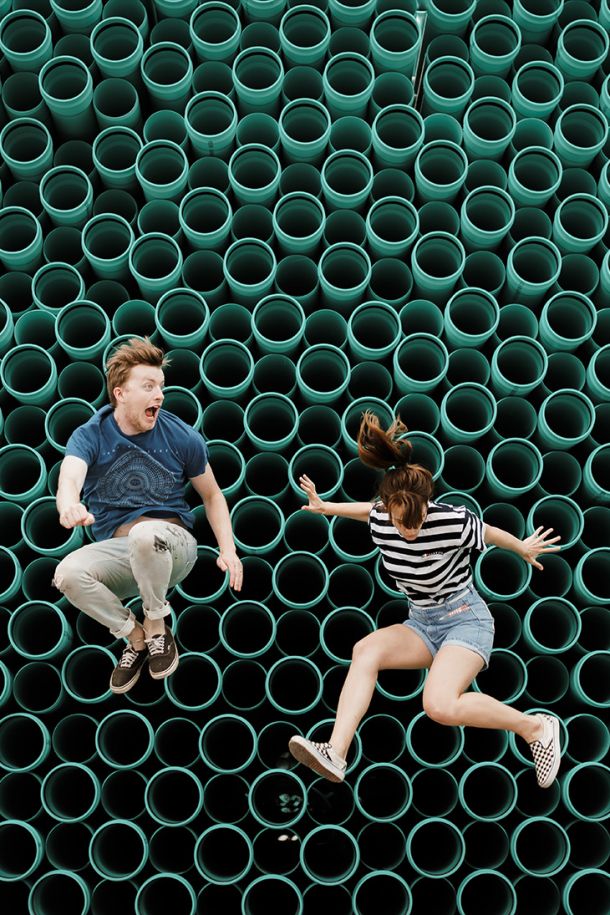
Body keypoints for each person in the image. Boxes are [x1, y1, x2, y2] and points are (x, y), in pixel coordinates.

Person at [289, 412, 562, 789]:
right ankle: (336, 752)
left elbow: (491, 531)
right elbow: (366, 511)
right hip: (421, 622)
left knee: (439, 706)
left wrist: (522, 547)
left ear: (427, 506)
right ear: (389, 511)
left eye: (417, 520)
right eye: (402, 523)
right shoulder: (382, 517)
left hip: (466, 619)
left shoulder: (450, 520)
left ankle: (535, 726)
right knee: (365, 650)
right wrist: (326, 507)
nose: (410, 530)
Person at [53, 337, 242, 694]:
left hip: (173, 548)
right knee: (67, 574)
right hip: (122, 553)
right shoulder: (89, 435)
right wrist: (68, 505)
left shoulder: (182, 436)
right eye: (148, 386)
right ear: (121, 393)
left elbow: (212, 495)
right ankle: (135, 637)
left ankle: (157, 624)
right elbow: (70, 477)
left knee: (145, 535)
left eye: (161, 386)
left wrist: (228, 550)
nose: (160, 395)